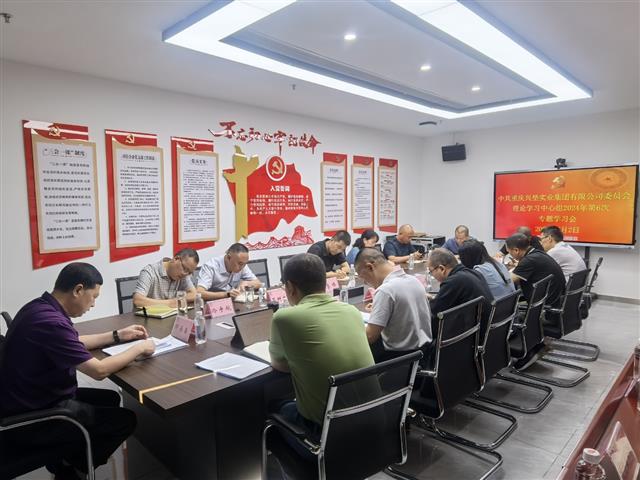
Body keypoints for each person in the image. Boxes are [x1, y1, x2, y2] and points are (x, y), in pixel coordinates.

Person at [0, 263, 155, 480]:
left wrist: (118, 335)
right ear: (78, 290)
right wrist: (140, 347)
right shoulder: (51, 322)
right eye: (93, 297)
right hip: (34, 416)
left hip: (32, 396)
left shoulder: (40, 308)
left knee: (110, 398)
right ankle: (73, 468)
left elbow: (73, 341)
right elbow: (99, 371)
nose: (93, 304)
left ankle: (69, 455)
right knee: (125, 420)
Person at [269, 253, 374, 432]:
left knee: (275, 404)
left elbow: (281, 365)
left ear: (290, 287)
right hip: (373, 418)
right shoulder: (351, 311)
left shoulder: (284, 317)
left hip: (329, 432)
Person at [354, 248, 432, 362]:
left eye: (363, 277)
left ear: (370, 267)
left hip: (399, 357)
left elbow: (370, 337)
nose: (366, 282)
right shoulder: (414, 280)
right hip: (423, 352)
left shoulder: (385, 290)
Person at [428, 248, 493, 334]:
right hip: (486, 331)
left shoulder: (453, 281)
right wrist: (434, 298)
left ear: (442, 269)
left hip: (469, 336)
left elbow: (433, 312)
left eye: (431, 271)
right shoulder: (474, 273)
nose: (432, 275)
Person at [506, 233, 566, 308]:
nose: (510, 255)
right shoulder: (537, 253)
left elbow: (508, 281)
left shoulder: (529, 260)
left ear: (516, 250)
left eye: (509, 252)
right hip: (554, 299)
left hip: (544, 303)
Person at [133, 248, 199, 308]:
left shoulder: (184, 275)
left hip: (171, 315)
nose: (185, 274)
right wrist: (171, 303)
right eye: (184, 268)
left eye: (189, 272)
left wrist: (176, 300)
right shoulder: (149, 272)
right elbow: (138, 300)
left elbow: (194, 294)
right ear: (176, 259)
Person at [197, 243, 262, 301]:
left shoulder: (242, 264)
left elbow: (258, 283)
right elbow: (199, 293)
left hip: (232, 303)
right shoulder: (210, 267)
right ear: (228, 257)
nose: (242, 267)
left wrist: (247, 283)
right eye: (240, 264)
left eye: (245, 264)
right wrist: (226, 294)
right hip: (213, 304)